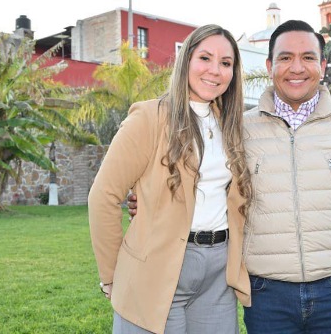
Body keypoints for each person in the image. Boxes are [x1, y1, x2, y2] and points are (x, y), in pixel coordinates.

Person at [129, 20, 331, 334]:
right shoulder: (236, 128)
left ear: (323, 66)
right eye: (286, 58)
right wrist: (146, 198)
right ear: (270, 66)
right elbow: (204, 186)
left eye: (308, 57)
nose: (297, 67)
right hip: (266, 297)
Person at [89, 24, 251, 334]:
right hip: (158, 268)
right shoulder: (149, 118)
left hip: (218, 274)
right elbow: (103, 196)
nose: (215, 70)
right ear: (186, 60)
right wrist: (110, 275)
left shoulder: (230, 125)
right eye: (205, 58)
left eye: (226, 63)